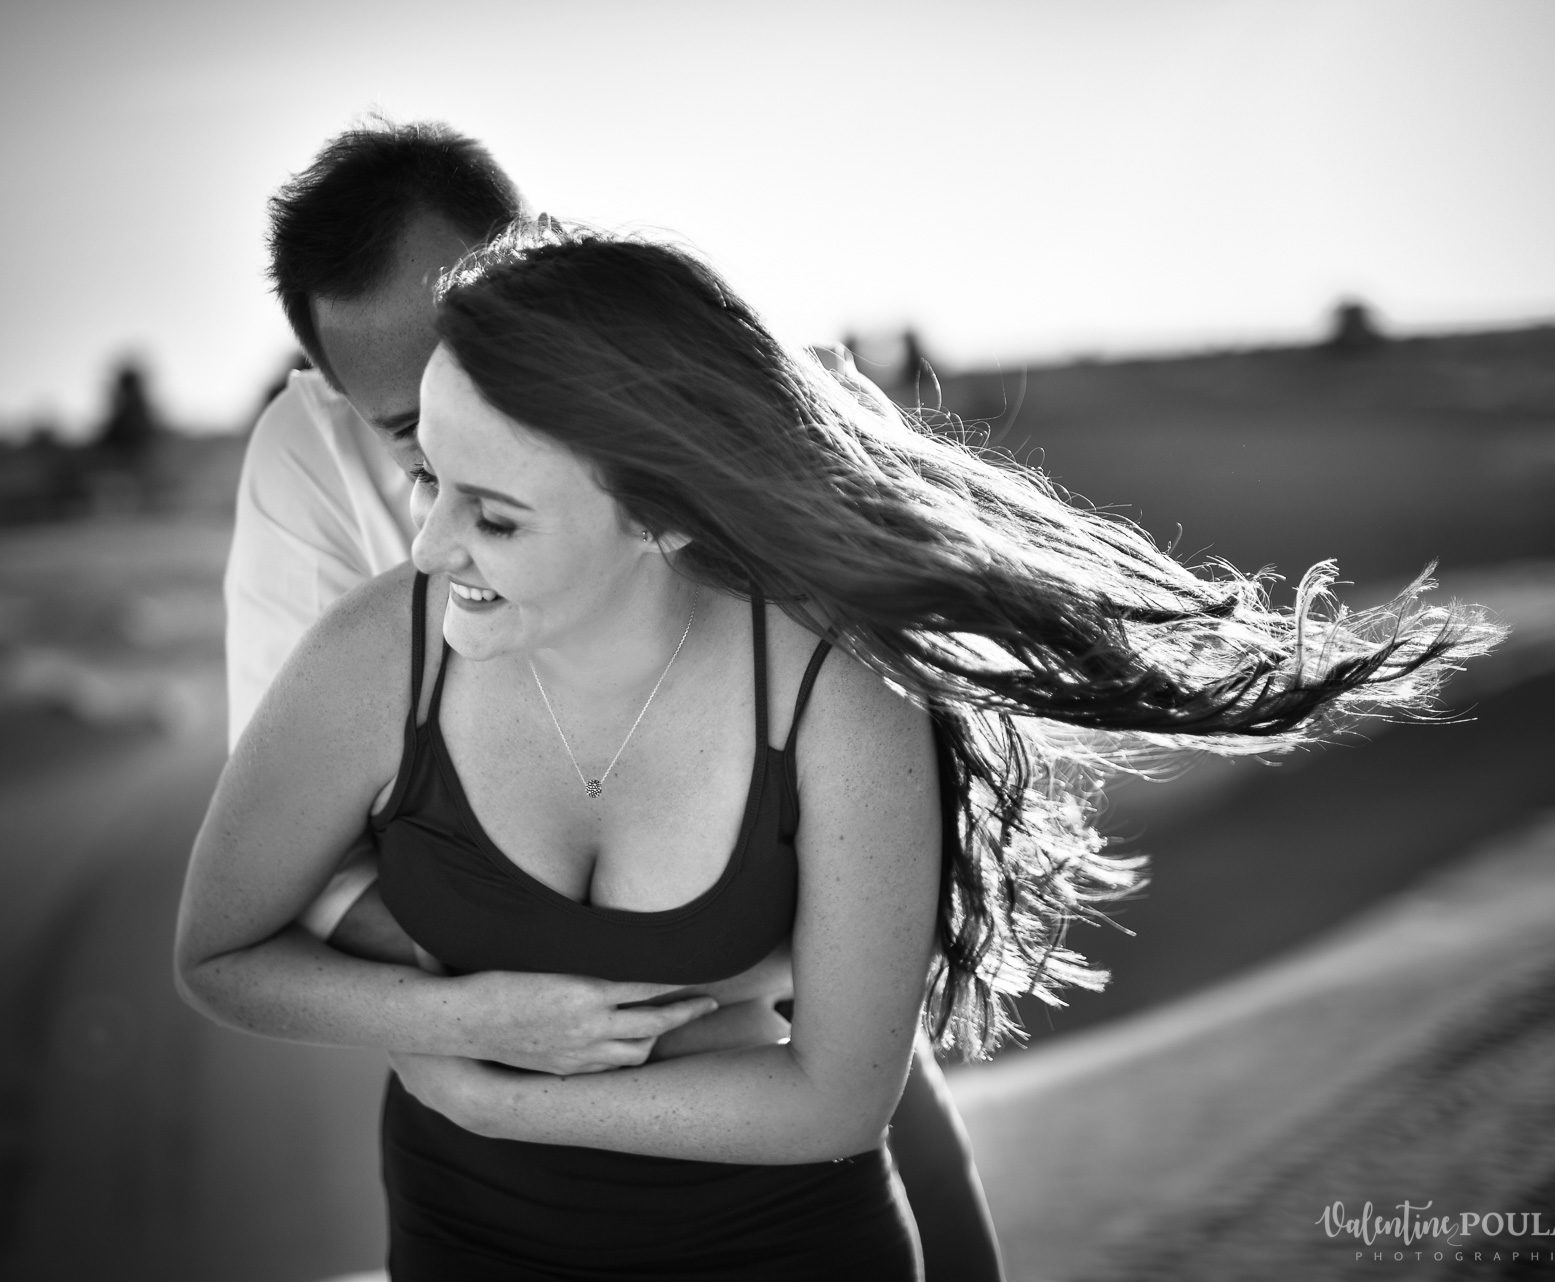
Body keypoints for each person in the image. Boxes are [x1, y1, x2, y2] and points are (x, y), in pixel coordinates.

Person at [179, 211, 1500, 1278]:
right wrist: (451, 1016)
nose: (428, 545)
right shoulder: (381, 650)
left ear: (658, 516)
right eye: (428, 478)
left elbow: (833, 1104)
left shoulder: (831, 692)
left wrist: (495, 1093)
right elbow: (221, 952)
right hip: (468, 1248)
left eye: (496, 514)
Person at [221, 122, 1002, 1277]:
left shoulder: (686, 392)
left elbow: (880, 688)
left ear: (542, 261)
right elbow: (301, 838)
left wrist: (765, 969)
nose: (469, 403)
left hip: (793, 1006)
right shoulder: (306, 473)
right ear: (339, 397)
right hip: (517, 1090)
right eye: (411, 432)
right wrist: (505, 1021)